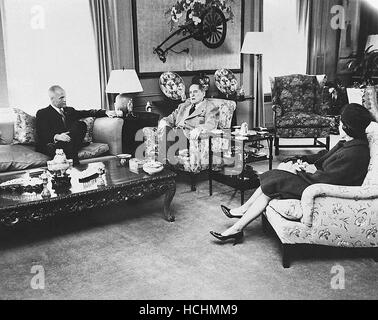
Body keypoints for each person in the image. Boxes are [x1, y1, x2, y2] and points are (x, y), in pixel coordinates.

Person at [210, 103, 372, 245]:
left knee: (276, 179)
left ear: (346, 127)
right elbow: (323, 156)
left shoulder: (355, 153)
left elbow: (331, 180)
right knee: (279, 170)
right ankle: (242, 213)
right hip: (317, 179)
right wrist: (302, 160)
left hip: (319, 188)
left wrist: (304, 171)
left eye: (341, 122)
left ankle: (238, 226)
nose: (337, 125)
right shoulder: (349, 142)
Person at [36, 85, 119, 165]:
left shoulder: (69, 110)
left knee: (81, 125)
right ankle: (74, 163)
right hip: (54, 144)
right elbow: (42, 134)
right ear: (52, 99)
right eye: (61, 98)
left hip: (68, 143)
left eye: (65, 97)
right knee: (64, 146)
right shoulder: (43, 113)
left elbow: (87, 112)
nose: (65, 100)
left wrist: (105, 112)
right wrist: (57, 136)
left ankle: (65, 148)